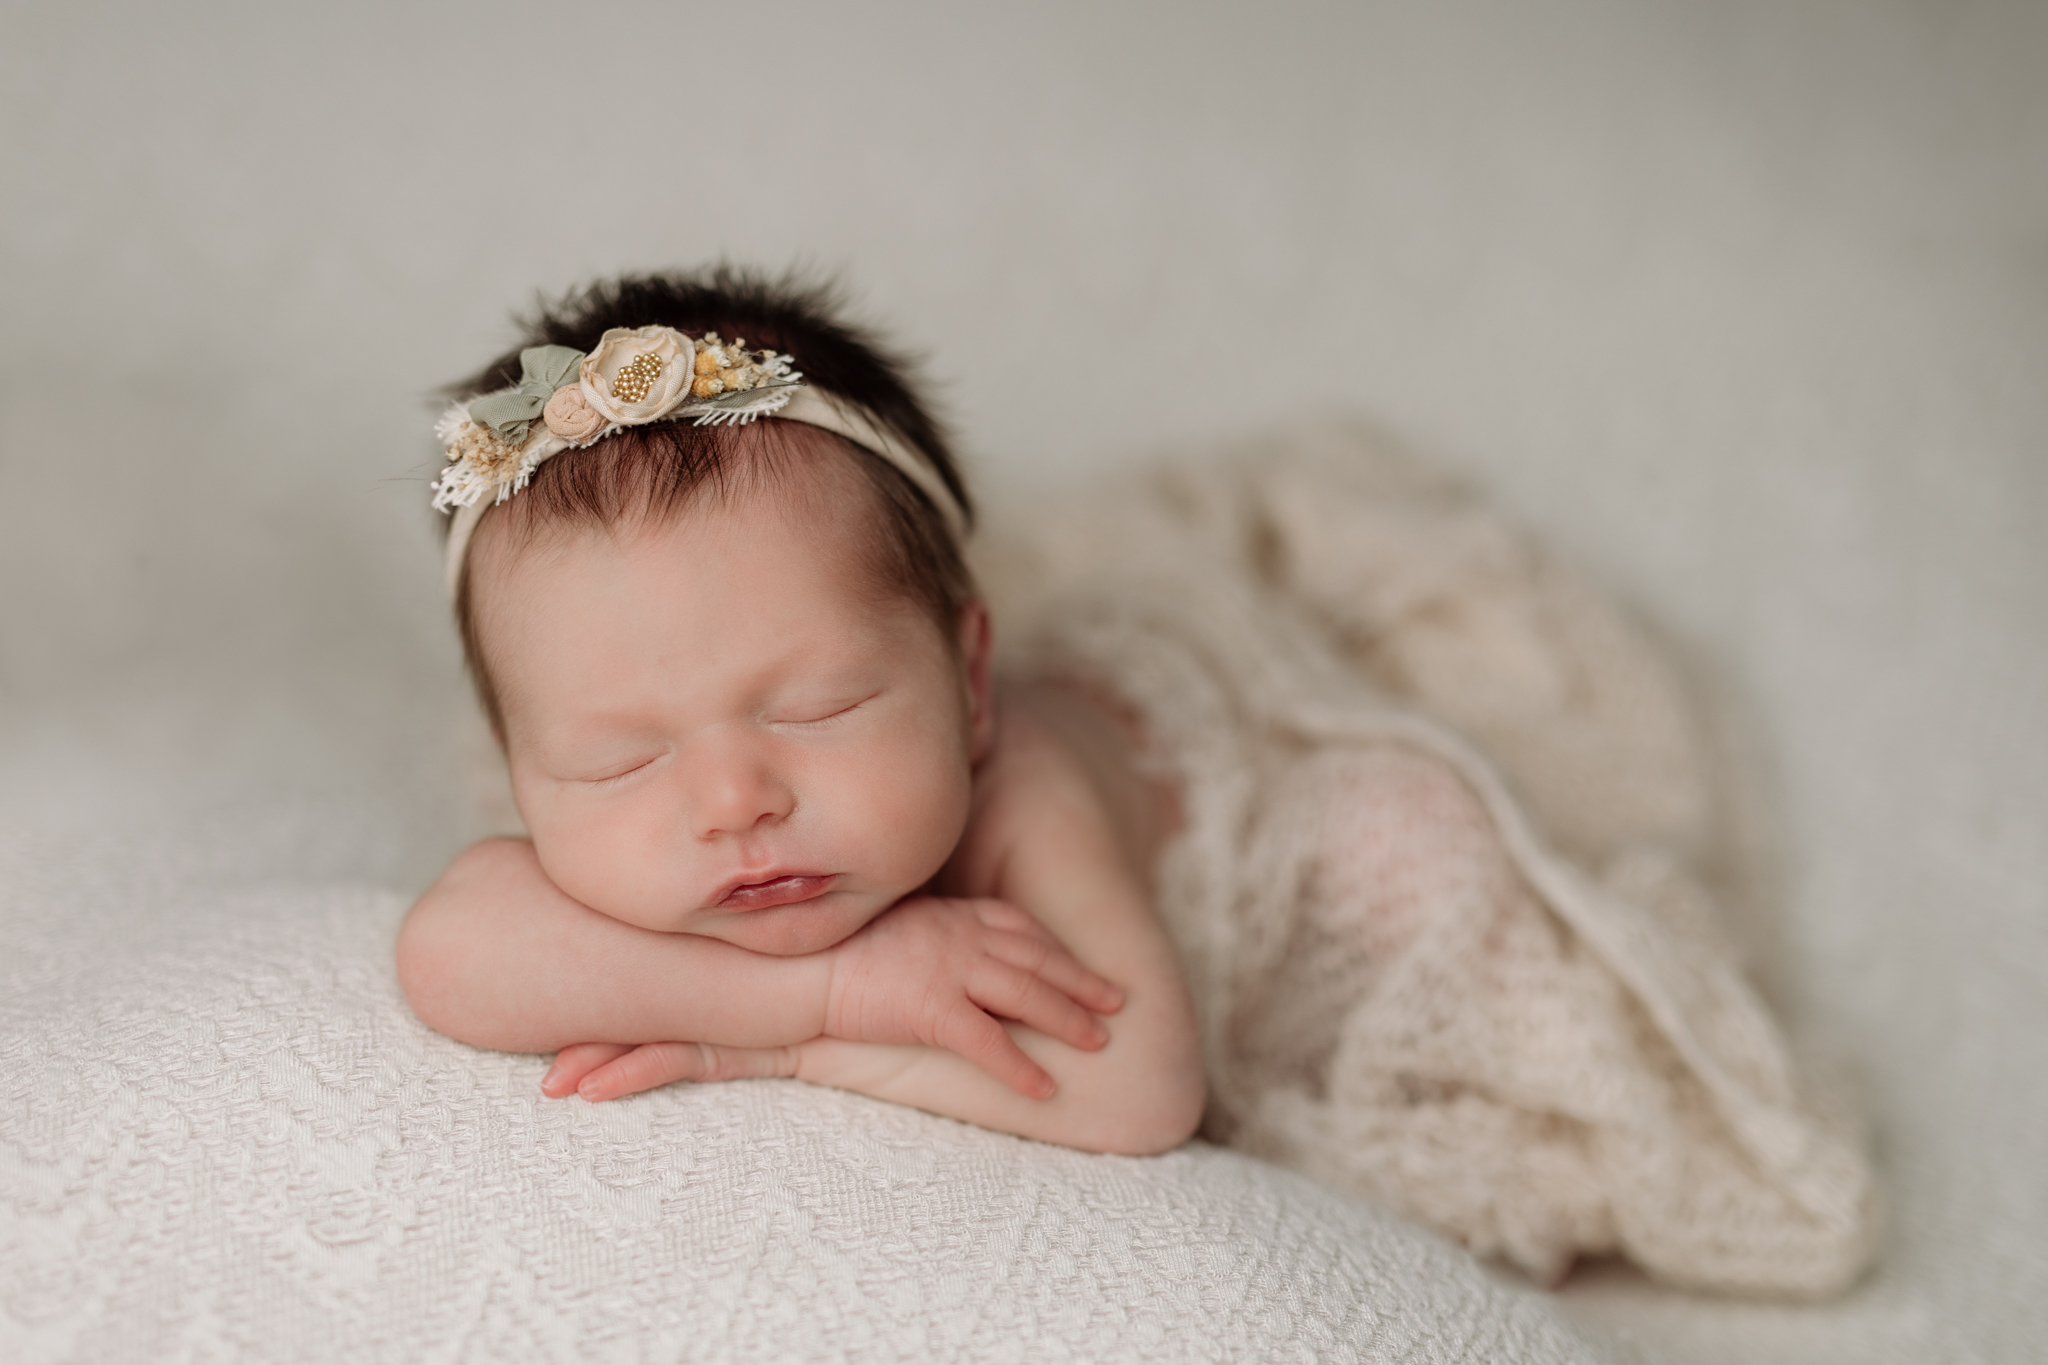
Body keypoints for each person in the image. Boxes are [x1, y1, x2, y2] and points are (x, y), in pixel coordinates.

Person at [396, 267, 1207, 1156]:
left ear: (970, 684)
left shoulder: (1028, 793)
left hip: (1201, 766)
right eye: (618, 760)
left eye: (818, 709)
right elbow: (450, 951)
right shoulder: (626, 806)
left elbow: (1141, 1088)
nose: (734, 802)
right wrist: (836, 991)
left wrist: (787, 1048)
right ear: (520, 764)